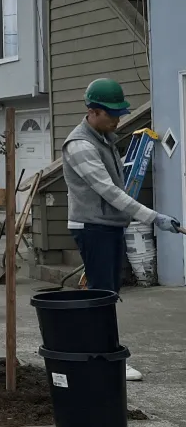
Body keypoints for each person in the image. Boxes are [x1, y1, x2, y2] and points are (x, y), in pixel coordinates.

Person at [63, 78, 183, 382]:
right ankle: (105, 356)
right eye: (112, 114)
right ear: (93, 111)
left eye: (120, 112)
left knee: (107, 292)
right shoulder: (80, 145)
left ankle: (97, 349)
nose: (118, 119)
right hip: (93, 227)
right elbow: (109, 191)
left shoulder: (104, 139)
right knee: (103, 295)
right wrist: (153, 217)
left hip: (107, 226)